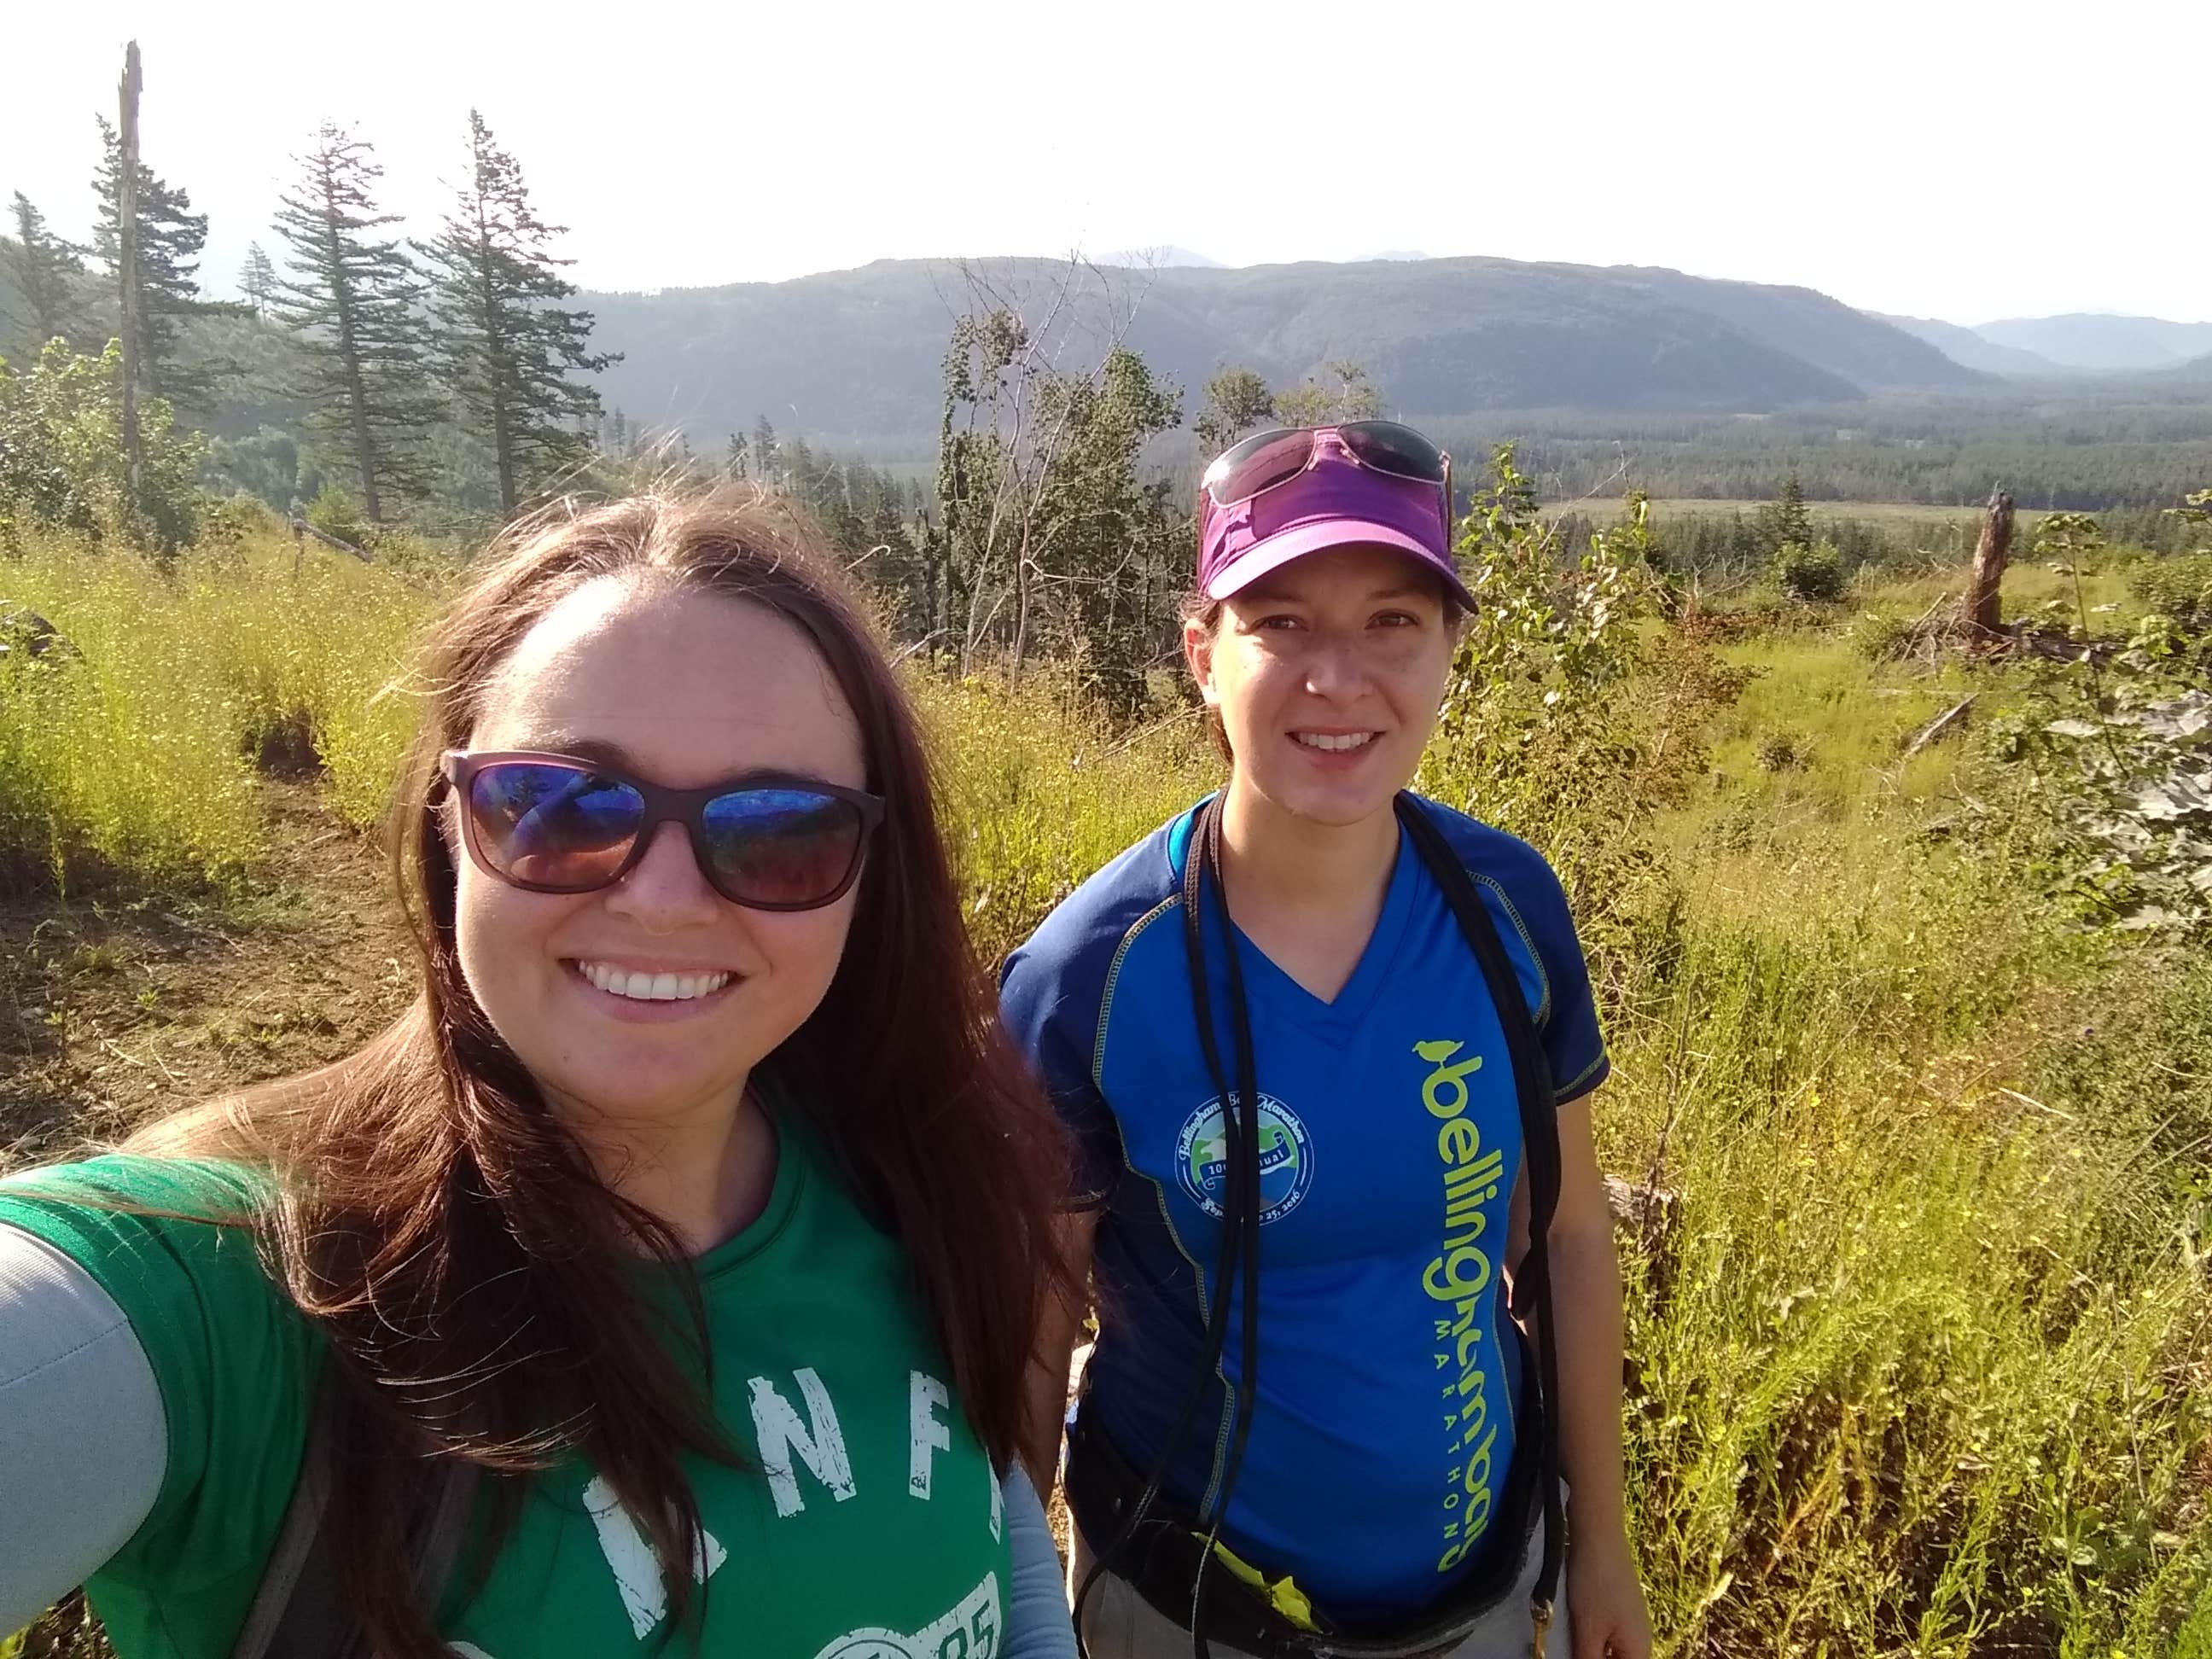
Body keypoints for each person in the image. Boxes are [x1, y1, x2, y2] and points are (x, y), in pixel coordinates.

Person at [0, 494, 1076, 1659]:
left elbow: (996, 1531)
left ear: (873, 883)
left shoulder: (909, 1173)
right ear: (448, 825)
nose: (663, 899)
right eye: (561, 806)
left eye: (778, 830)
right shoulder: (246, 1296)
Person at [1001, 423, 1653, 1659]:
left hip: (1483, 1588)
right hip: (1188, 1604)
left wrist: (1603, 1546)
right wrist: (1015, 1612)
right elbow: (1030, 1340)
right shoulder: (1090, 974)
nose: (1339, 680)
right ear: (1204, 656)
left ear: (1453, 649)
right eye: (1282, 623)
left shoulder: (1506, 909)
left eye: (1394, 623)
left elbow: (1565, 1235)